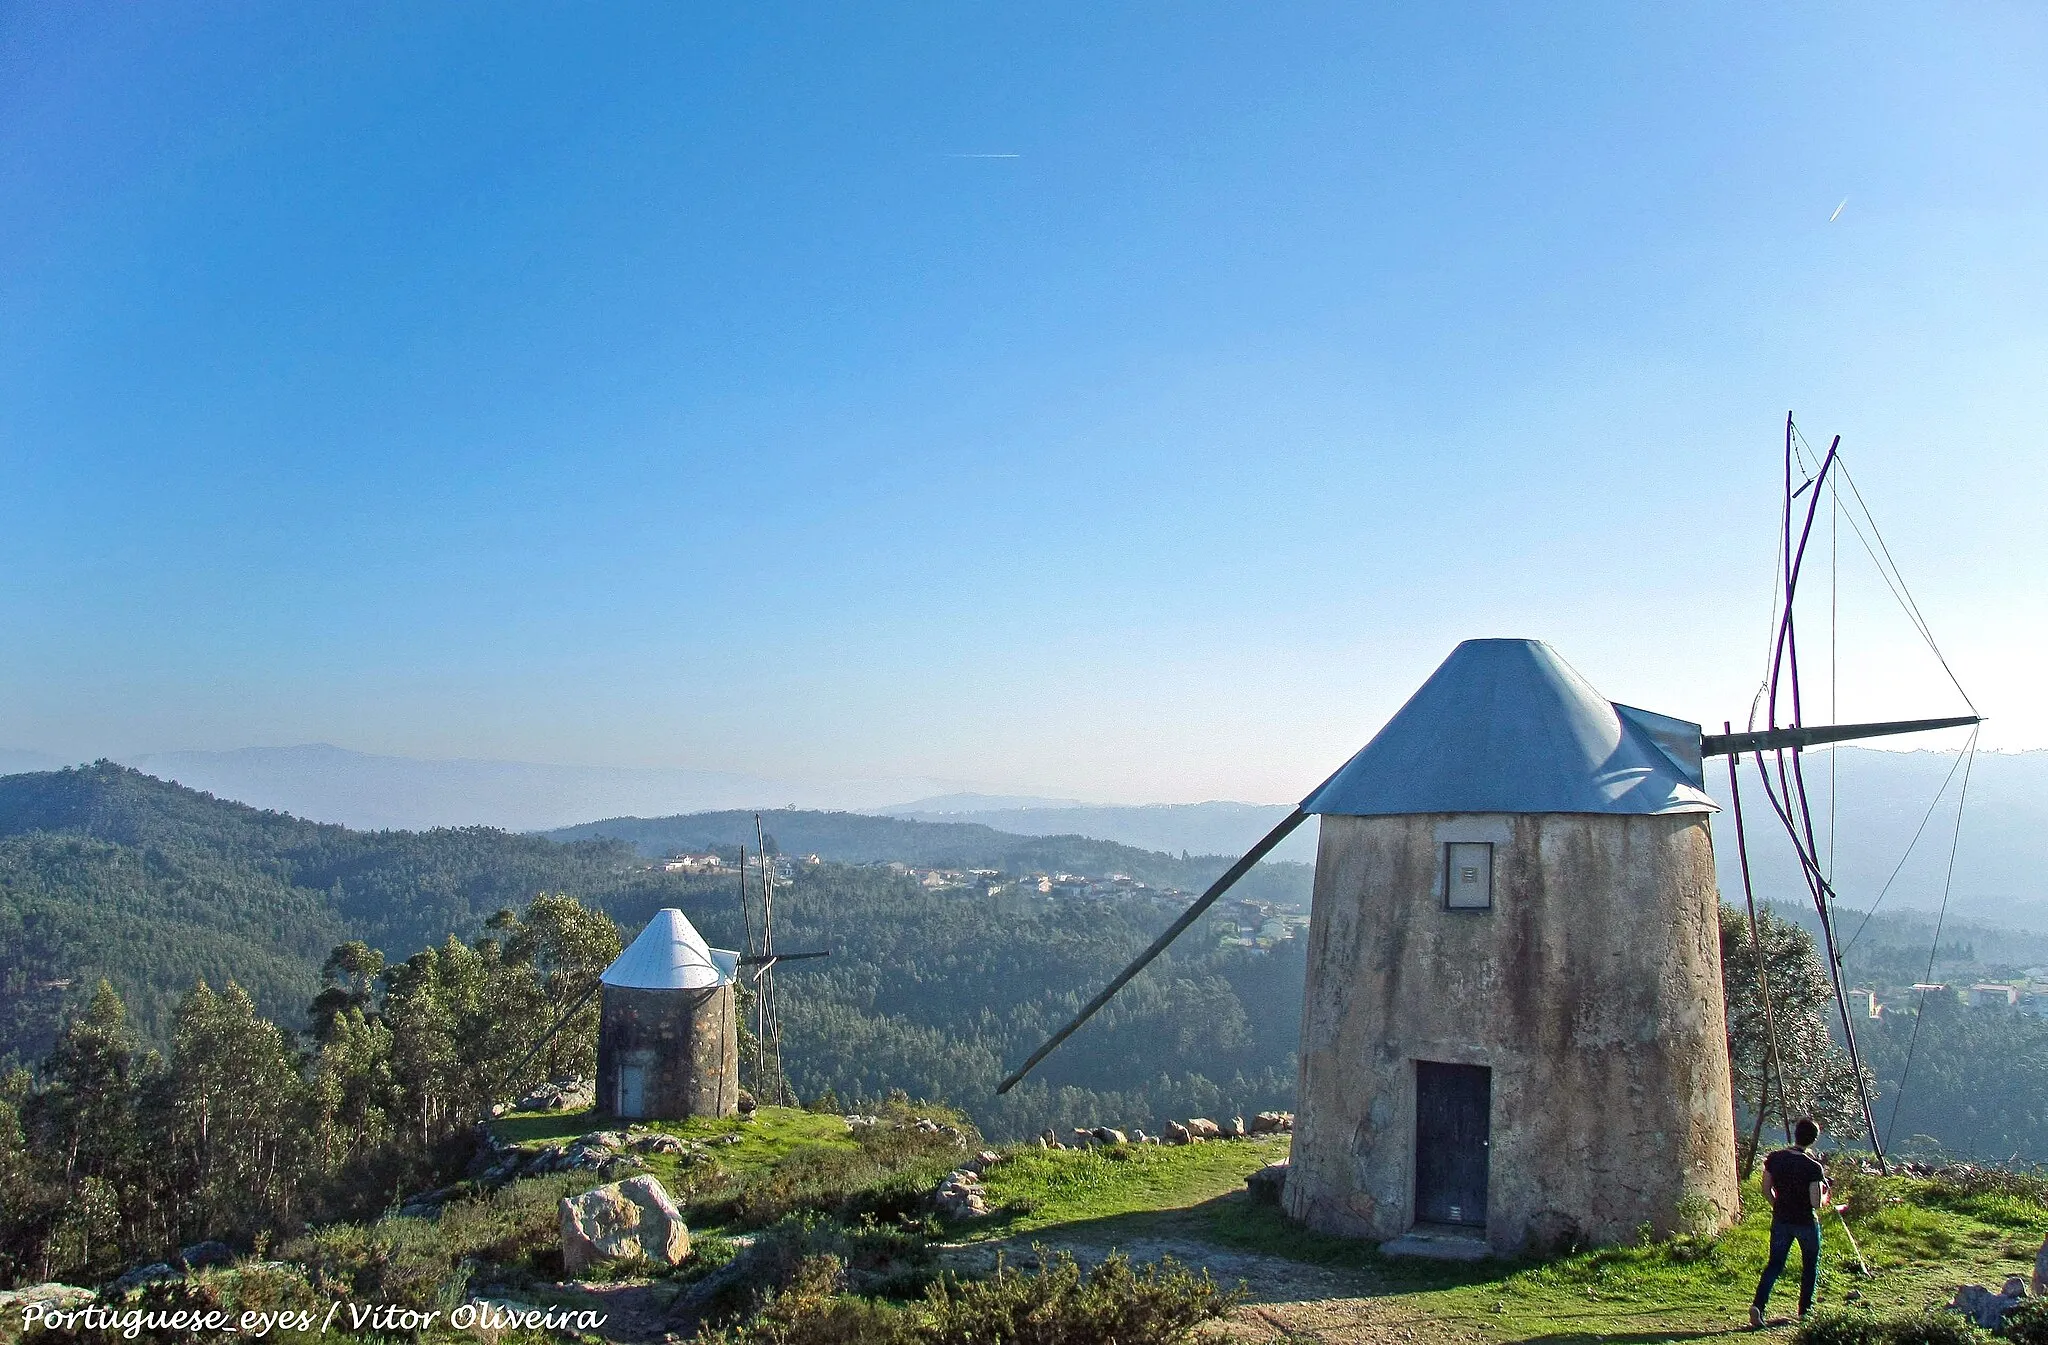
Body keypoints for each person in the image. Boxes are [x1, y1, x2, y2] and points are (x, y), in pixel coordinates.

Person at [1751, 1117, 1830, 1326]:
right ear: (1813, 1140)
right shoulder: (1813, 1167)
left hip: (1781, 1220)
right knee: (1809, 1266)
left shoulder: (1775, 1159)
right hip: (1805, 1221)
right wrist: (1825, 1195)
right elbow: (1816, 1203)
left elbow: (1766, 1188)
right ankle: (1805, 1311)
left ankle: (1758, 1306)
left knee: (1775, 1264)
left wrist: (1777, 1205)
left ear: (1796, 1134)